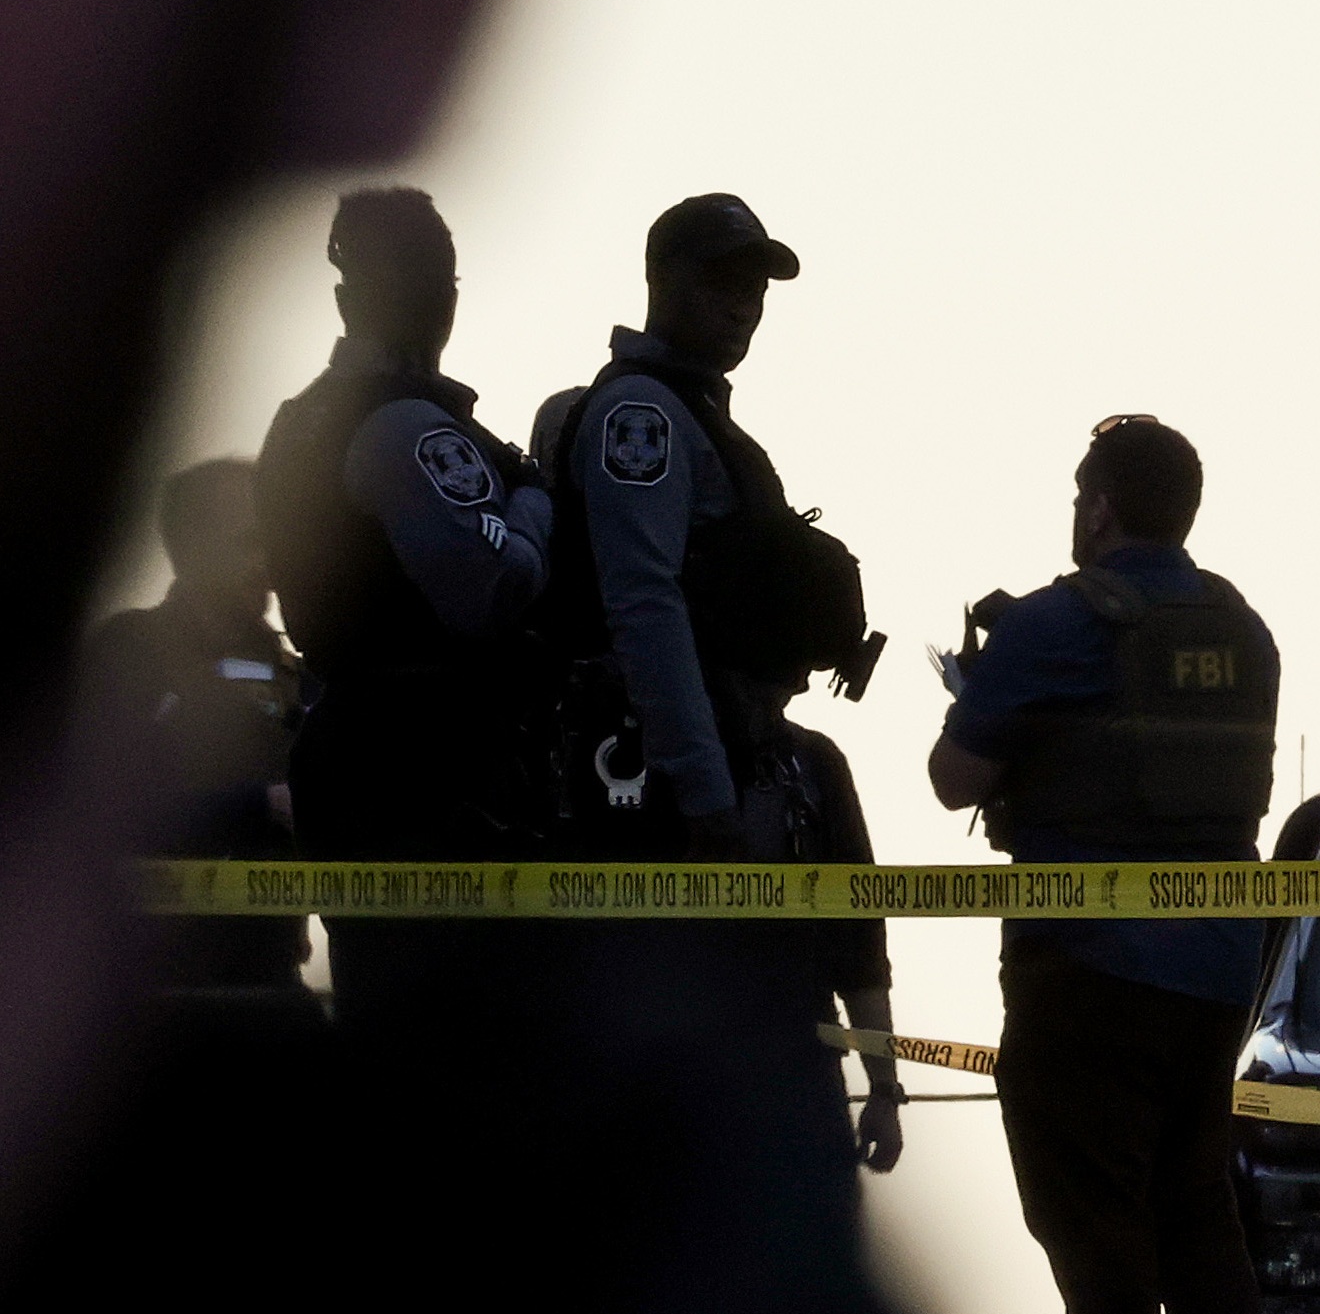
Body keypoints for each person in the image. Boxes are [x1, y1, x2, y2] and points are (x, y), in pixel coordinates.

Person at [929, 417, 1279, 1314]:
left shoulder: (1056, 623)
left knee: (1092, 1218)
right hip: (1217, 971)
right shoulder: (1242, 626)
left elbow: (954, 778)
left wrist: (986, 696)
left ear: (1101, 505)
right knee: (1196, 1210)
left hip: (1087, 969)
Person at [254, 188, 555, 1026]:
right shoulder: (405, 427)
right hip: (431, 769)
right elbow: (493, 588)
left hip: (356, 759)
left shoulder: (298, 422)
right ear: (448, 299)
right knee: (465, 1043)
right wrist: (531, 501)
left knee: (388, 1030)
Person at [534, 193, 870, 860]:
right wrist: (704, 791)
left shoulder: (692, 411)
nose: (743, 303)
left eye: (754, 287)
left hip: (715, 749)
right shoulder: (641, 413)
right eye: (721, 279)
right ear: (662, 280)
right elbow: (643, 603)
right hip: (654, 783)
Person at [91, 458, 312, 1003]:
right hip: (142, 998)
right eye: (248, 542)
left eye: (274, 541)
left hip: (269, 984)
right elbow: (94, 816)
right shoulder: (128, 653)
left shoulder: (294, 675)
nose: (268, 562)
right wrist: (259, 805)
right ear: (192, 548)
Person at [726, 659, 906, 1172]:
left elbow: (859, 944)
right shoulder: (810, 764)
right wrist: (883, 1091)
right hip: (786, 1064)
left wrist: (885, 1090)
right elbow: (860, 950)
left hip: (787, 1062)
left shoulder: (812, 764)